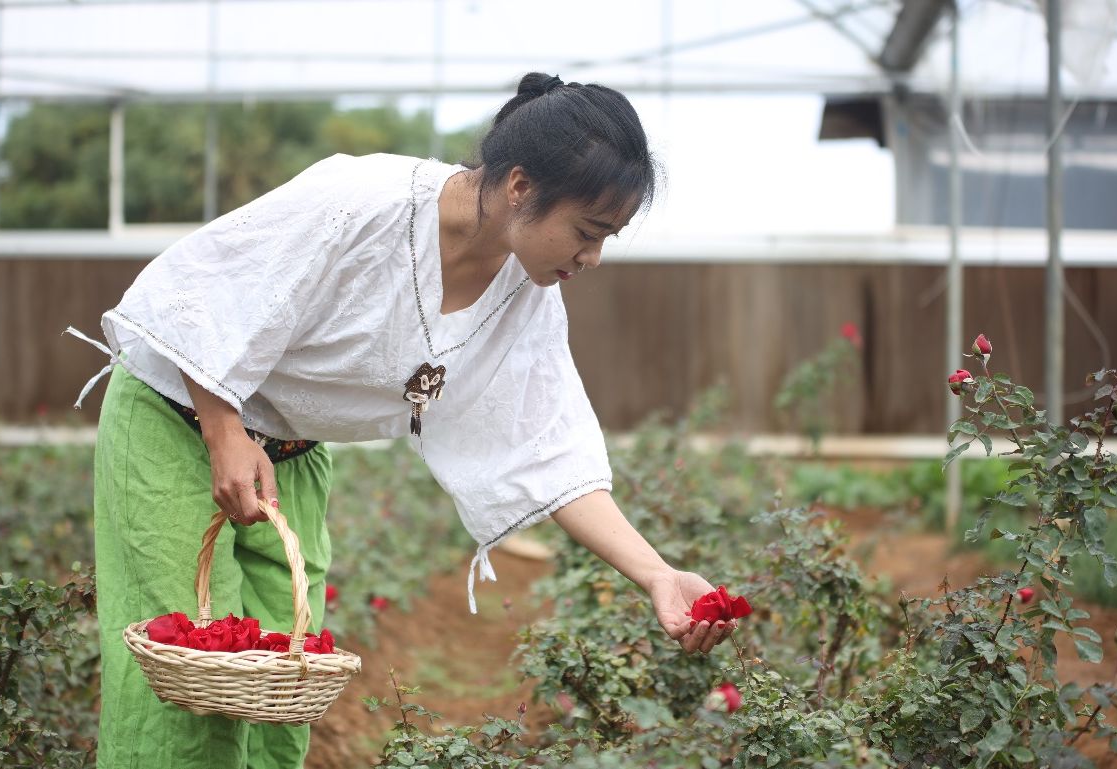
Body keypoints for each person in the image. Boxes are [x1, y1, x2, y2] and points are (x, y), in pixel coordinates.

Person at [69, 71, 738, 769]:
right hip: (180, 416)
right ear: (520, 187)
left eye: (608, 238)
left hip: (289, 452)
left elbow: (549, 454)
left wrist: (657, 573)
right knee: (193, 686)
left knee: (282, 689)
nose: (593, 256)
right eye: (588, 230)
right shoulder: (363, 203)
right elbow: (208, 293)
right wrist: (223, 431)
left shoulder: (523, 295)